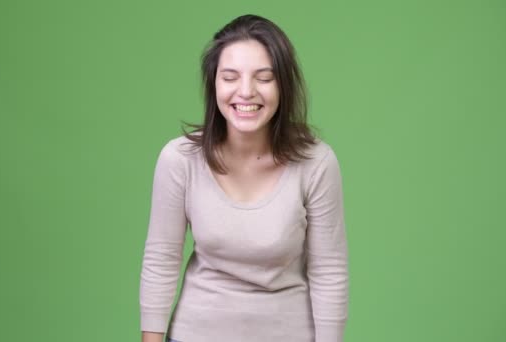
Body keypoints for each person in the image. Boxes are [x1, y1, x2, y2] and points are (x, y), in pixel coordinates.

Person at [139, 14, 349, 342]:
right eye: (230, 77)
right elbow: (161, 259)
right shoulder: (179, 159)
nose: (246, 91)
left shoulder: (316, 163)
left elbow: (328, 271)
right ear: (214, 84)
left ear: (283, 86)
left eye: (264, 78)